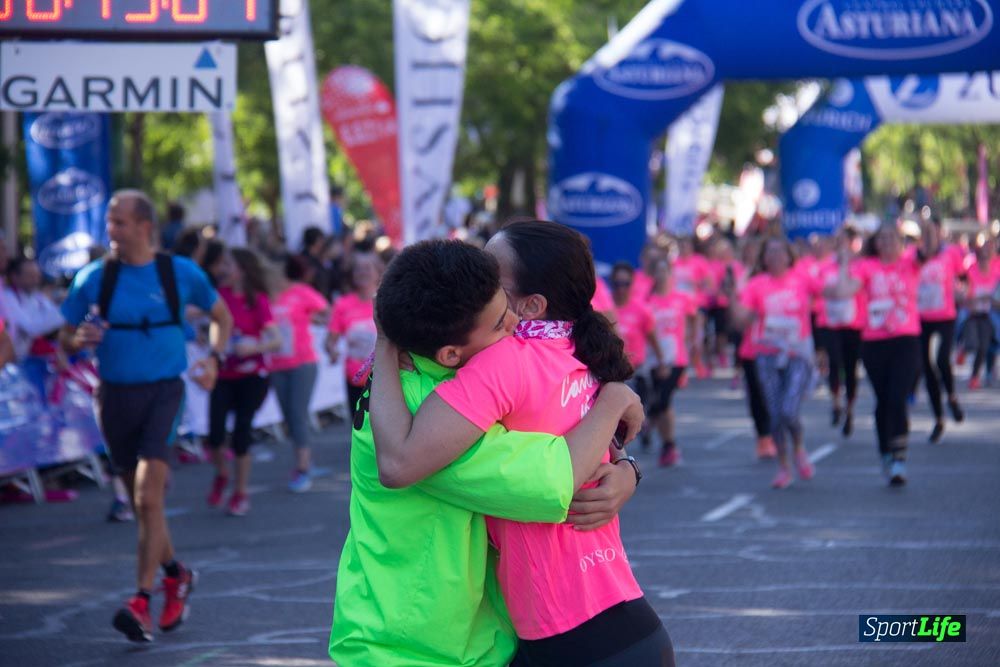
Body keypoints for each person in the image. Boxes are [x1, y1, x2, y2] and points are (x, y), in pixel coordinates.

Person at [370, 222, 675, 666]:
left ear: (531, 304)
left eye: (491, 273)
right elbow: (600, 439)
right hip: (628, 625)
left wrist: (385, 339)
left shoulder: (503, 361)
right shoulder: (581, 347)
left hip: (567, 638)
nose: (476, 274)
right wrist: (628, 466)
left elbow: (398, 464)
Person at [59, 189, 233, 642]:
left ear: (144, 226)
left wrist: (213, 358)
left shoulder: (179, 272)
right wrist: (79, 340)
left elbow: (221, 316)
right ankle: (176, 573)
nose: (110, 231)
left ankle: (140, 600)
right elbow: (65, 337)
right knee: (143, 505)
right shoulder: (94, 278)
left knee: (148, 497)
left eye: (118, 222)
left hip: (164, 392)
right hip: (114, 395)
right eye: (109, 223)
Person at [829, 222, 922, 486]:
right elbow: (843, 291)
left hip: (906, 339)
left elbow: (932, 248)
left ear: (901, 242)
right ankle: (885, 452)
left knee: (897, 398)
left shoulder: (910, 264)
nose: (888, 242)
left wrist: (927, 224)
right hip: (874, 343)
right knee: (883, 400)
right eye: (883, 238)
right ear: (876, 243)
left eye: (893, 237)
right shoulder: (867, 267)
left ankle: (900, 459)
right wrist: (845, 262)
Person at [729, 236, 816, 489]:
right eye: (771, 252)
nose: (776, 257)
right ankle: (784, 466)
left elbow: (830, 294)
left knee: (789, 410)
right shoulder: (757, 285)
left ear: (790, 256)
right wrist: (739, 302)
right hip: (765, 354)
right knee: (775, 414)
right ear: (764, 258)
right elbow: (741, 320)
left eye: (781, 252)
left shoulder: (802, 280)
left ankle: (798, 448)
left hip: (796, 353)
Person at [205, 248, 281, 517]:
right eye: (222, 263)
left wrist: (254, 347)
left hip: (252, 377)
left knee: (241, 436)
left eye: (228, 263)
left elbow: (276, 339)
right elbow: (204, 323)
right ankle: (222, 474)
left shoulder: (256, 300)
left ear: (243, 270)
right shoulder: (218, 296)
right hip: (224, 375)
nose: (223, 268)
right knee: (214, 436)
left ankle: (240, 493)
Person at [269, 254, 329, 492]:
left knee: (297, 413)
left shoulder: (301, 292)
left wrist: (313, 318)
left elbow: (326, 311)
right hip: (277, 364)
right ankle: (304, 459)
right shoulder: (267, 296)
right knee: (289, 418)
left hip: (303, 363)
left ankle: (303, 468)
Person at [610, 261, 670, 453]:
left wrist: (662, 362)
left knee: (642, 406)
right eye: (617, 284)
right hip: (612, 370)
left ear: (632, 284)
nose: (621, 289)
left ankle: (642, 428)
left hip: (637, 368)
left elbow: (653, 338)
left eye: (625, 284)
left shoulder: (641, 310)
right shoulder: (605, 307)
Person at [915, 219, 965, 441]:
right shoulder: (913, 255)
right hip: (921, 318)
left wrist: (963, 292)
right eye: (926, 233)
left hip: (945, 316)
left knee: (942, 359)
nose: (930, 237)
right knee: (927, 368)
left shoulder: (951, 254)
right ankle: (938, 419)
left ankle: (952, 397)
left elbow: (964, 277)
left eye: (933, 232)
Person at [814, 228, 866, 439]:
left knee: (851, 368)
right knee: (834, 363)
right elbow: (824, 290)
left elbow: (853, 290)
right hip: (831, 323)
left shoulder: (860, 266)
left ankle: (850, 409)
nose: (842, 245)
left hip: (854, 324)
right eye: (839, 241)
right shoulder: (826, 266)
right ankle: (836, 402)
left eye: (846, 241)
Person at [646, 255, 697, 467]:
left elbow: (695, 317)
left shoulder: (681, 298)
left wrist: (693, 339)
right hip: (654, 358)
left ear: (670, 274)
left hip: (677, 357)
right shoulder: (648, 301)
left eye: (664, 270)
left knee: (664, 399)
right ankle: (664, 440)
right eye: (657, 271)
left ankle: (666, 441)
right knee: (659, 400)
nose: (661, 275)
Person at [325, 251, 382, 417]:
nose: (362, 273)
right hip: (356, 377)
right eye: (357, 269)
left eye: (367, 268)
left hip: (386, 377)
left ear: (378, 272)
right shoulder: (343, 304)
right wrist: (331, 350)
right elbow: (330, 340)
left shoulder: (387, 300)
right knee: (360, 430)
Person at [2, 257, 66, 403]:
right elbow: (32, 327)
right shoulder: (7, 297)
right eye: (30, 275)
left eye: (37, 275)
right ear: (15, 277)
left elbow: (51, 321)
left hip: (28, 361)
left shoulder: (37, 297)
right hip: (10, 363)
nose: (35, 280)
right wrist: (64, 311)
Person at [963, 235, 1000, 389]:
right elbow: (964, 295)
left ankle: (975, 376)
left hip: (988, 315)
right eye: (982, 257)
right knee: (973, 343)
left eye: (987, 256)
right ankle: (962, 348)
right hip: (971, 314)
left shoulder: (996, 273)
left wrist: (990, 300)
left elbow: (997, 299)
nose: (985, 260)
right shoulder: (971, 271)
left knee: (984, 346)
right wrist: (973, 300)